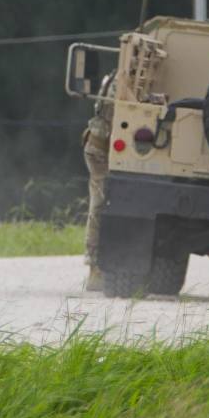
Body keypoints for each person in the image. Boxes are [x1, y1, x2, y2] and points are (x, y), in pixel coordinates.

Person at [81, 72, 115, 292]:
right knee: (100, 203)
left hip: (100, 145)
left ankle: (99, 269)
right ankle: (95, 270)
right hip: (101, 148)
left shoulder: (113, 77)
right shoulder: (120, 80)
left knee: (101, 203)